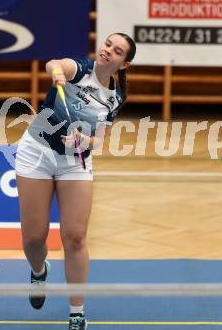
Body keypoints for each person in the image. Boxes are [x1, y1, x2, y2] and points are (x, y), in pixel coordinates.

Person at [15, 33, 136, 330]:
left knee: (76, 237)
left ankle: (77, 313)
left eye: (117, 51)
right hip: (37, 151)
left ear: (124, 64)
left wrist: (85, 139)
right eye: (108, 44)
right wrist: (56, 71)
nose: (108, 51)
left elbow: (99, 141)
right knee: (33, 239)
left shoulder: (116, 97)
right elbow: (55, 64)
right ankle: (39, 270)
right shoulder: (79, 69)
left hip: (75, 161)